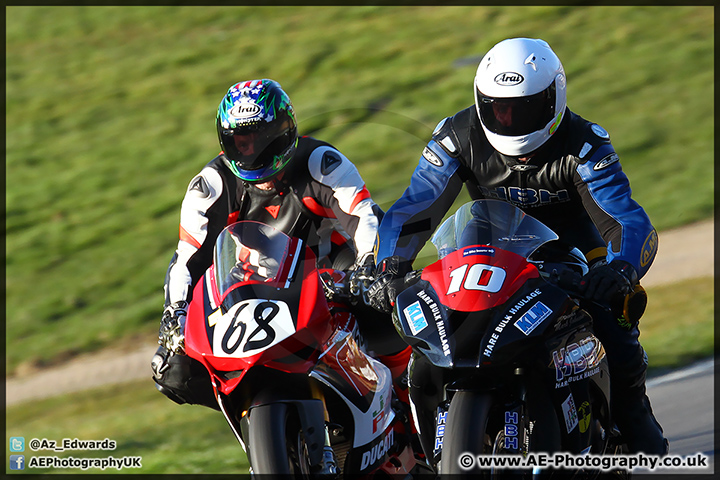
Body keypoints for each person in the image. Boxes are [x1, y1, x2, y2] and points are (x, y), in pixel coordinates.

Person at [367, 38, 667, 454]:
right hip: (488, 251)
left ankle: (634, 420)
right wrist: (389, 267)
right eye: (498, 108)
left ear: (554, 99)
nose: (508, 120)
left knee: (614, 322)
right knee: (428, 330)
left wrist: (619, 271)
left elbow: (628, 220)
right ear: (479, 100)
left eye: (523, 108)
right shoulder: (456, 136)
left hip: (576, 257)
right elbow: (414, 208)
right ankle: (424, 444)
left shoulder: (585, 145)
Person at [151, 79, 409, 409]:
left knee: (387, 305)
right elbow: (187, 260)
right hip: (256, 293)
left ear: (286, 133)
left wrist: (368, 269)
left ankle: (408, 404)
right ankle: (256, 423)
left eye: (265, 141)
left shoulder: (320, 162)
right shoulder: (210, 187)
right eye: (243, 143)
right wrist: (175, 314)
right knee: (173, 371)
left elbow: (365, 217)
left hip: (334, 277)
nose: (255, 153)